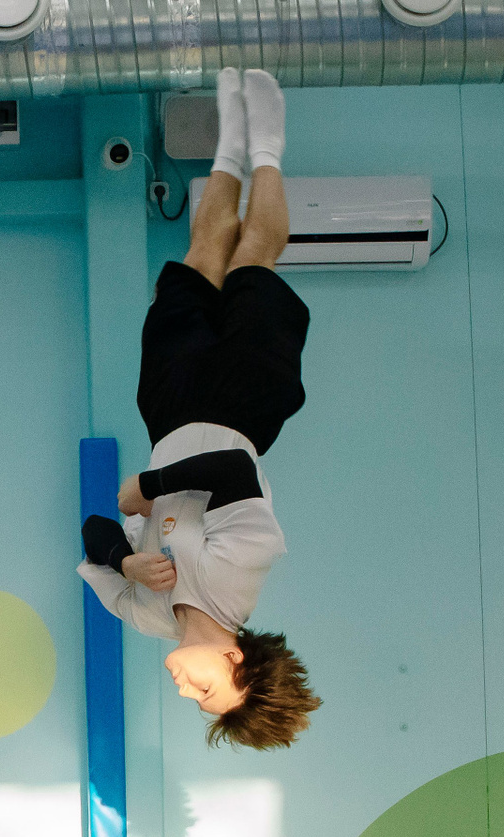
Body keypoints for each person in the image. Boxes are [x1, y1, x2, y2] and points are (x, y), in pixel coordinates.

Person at [78, 67, 320, 751]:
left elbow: (94, 533)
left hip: (168, 410)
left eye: (197, 701)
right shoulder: (236, 581)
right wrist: (148, 486)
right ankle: (266, 146)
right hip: (243, 402)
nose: (189, 692)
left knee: (198, 256)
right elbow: (231, 474)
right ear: (235, 658)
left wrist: (124, 562)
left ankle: (228, 146)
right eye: (209, 691)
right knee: (252, 258)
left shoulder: (150, 615)